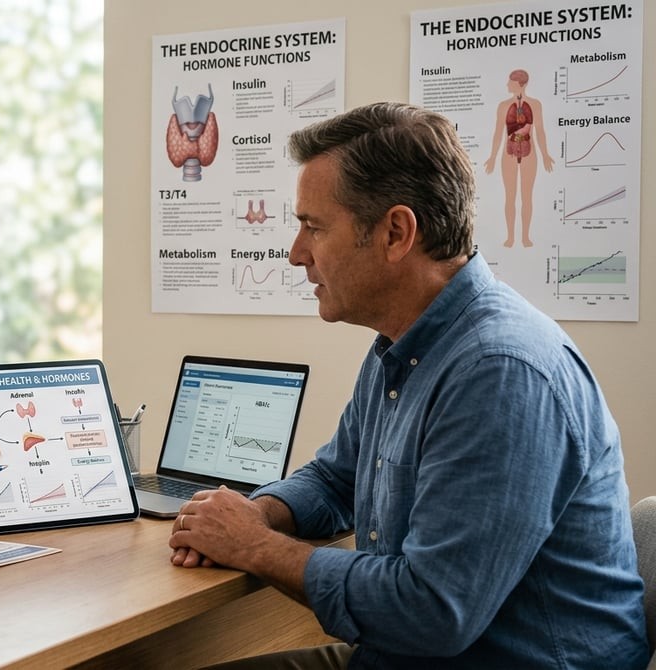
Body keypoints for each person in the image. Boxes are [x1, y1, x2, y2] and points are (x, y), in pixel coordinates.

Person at [168, 102, 649, 668]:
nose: (296, 254)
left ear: (396, 233)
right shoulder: (404, 343)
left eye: (314, 227)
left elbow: (433, 611)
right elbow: (336, 477)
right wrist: (256, 514)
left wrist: (254, 546)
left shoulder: (500, 372)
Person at [484, 69, 554, 248]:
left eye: (510, 82)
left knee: (526, 196)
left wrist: (545, 154)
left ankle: (525, 237)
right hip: (508, 153)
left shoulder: (535, 105)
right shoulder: (503, 106)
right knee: (510, 196)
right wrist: (492, 157)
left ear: (519, 83)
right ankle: (510, 237)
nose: (507, 85)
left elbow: (540, 131)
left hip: (529, 153)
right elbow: (498, 132)